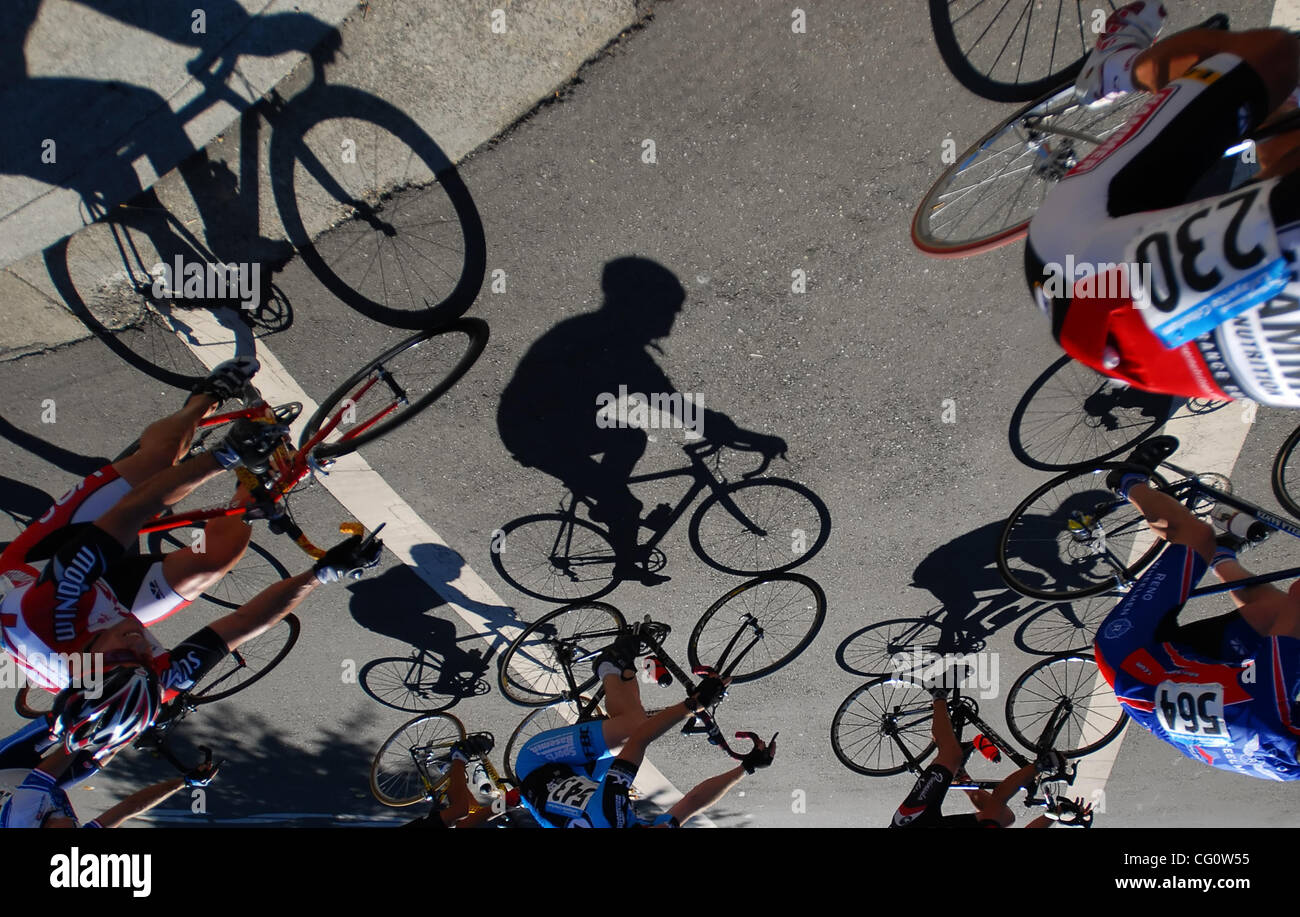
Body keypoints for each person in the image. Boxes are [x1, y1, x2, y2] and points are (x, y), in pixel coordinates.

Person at [1024, 2, 1300, 408]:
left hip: (1073, 262)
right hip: (1123, 355)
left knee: (1274, 54)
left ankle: (1113, 68)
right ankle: (1261, 111)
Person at [0, 357, 267, 691]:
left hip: (46, 565)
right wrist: (320, 574)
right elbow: (242, 624)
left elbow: (132, 509)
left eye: (132, 655)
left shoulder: (43, 614)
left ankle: (206, 396)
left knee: (156, 463)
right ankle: (257, 474)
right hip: (109, 609)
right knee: (212, 562)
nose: (142, 647)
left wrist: (223, 455)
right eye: (144, 659)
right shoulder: (145, 689)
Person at [1094, 434, 1300, 779]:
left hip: (1130, 662)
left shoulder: (1277, 714)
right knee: (1272, 612)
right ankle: (1222, 555)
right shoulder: (1289, 766)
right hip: (1185, 672)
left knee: (1196, 536)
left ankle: (1128, 481)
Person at [512, 632, 776, 827]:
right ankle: (624, 667)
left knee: (633, 729)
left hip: (538, 763)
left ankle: (608, 665)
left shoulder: (609, 814)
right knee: (632, 724)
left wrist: (693, 704)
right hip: (578, 777)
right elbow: (692, 803)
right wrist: (747, 767)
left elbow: (639, 741)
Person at [889, 686, 1090, 828]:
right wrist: (1057, 812)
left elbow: (1001, 795)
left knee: (952, 755)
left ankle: (938, 694)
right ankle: (962, 779)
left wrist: (1039, 766)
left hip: (912, 822)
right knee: (1006, 818)